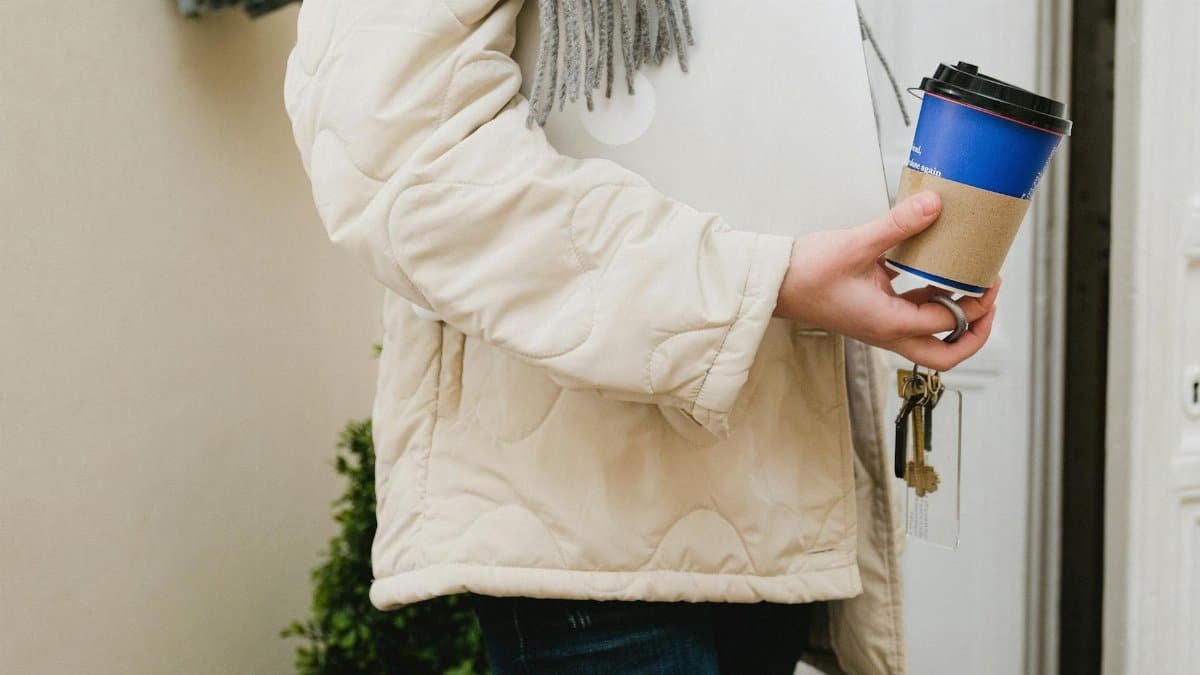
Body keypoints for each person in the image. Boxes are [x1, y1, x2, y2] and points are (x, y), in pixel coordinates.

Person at [284, 1, 998, 673]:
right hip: (581, 522)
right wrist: (758, 281)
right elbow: (405, 155)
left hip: (770, 499)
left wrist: (881, 261)